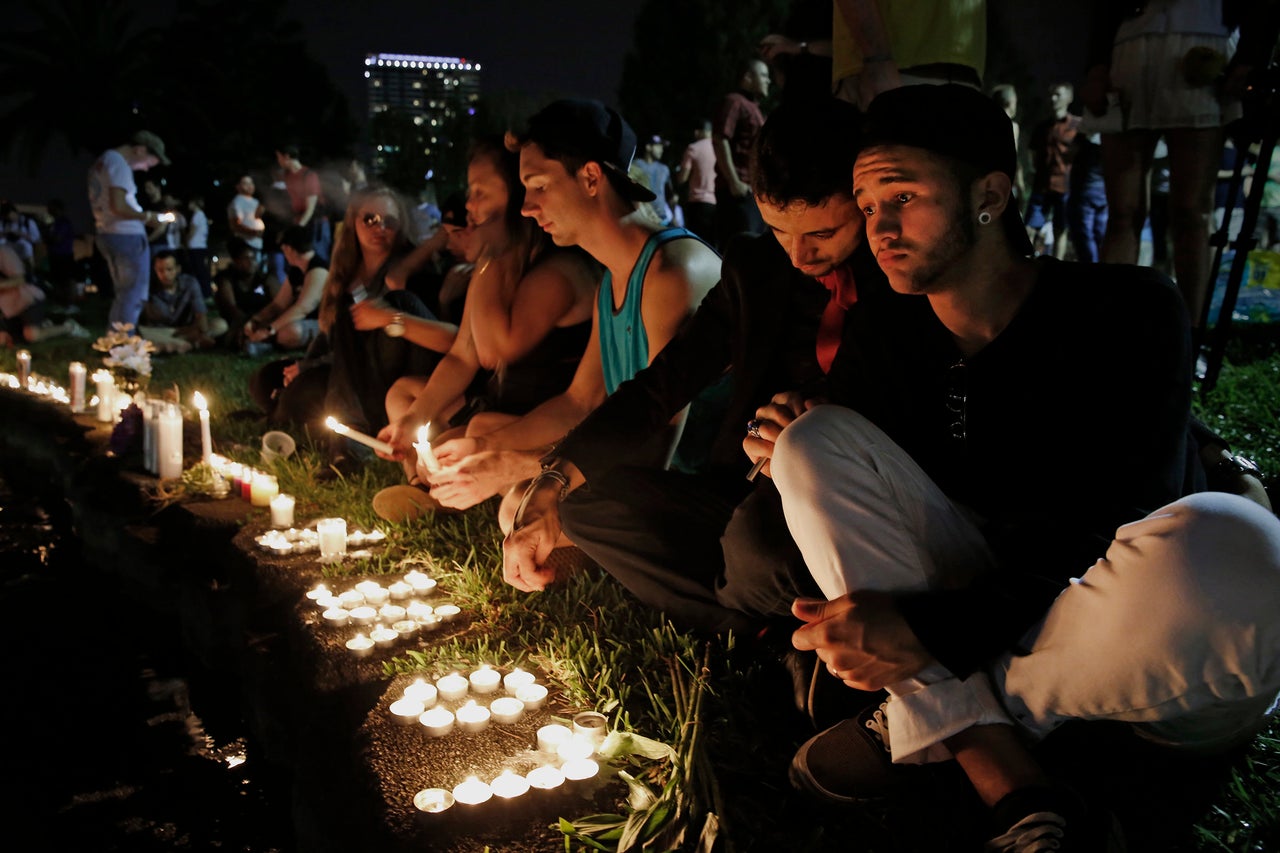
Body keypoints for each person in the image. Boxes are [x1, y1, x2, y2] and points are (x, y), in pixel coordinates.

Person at [752, 84, 1279, 849]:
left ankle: (940, 712)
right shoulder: (885, 334)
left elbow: (1106, 522)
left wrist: (928, 632)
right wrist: (784, 435)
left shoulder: (1126, 310)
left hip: (1120, 623)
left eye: (904, 195)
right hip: (986, 594)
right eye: (867, 205)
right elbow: (873, 498)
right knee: (812, 445)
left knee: (1245, 553)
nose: (881, 227)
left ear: (990, 196)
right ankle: (1012, 783)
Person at [502, 96, 875, 636]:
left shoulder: (893, 274)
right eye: (779, 231)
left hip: (835, 504)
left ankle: (755, 619)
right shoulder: (755, 269)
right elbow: (660, 386)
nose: (799, 256)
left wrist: (816, 424)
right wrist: (553, 478)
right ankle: (762, 629)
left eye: (822, 234)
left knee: (758, 552)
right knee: (585, 505)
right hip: (737, 488)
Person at [402, 100, 721, 533]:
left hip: (697, 487)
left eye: (538, 186)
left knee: (523, 505)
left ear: (591, 177)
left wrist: (517, 468)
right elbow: (579, 402)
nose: (526, 207)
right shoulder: (613, 281)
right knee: (497, 460)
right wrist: (479, 447)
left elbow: (653, 444)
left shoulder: (671, 272)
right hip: (645, 467)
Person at [370, 135, 597, 518]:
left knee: (475, 431)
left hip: (542, 418)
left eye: (479, 193)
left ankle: (451, 489)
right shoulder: (501, 262)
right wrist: (413, 421)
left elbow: (495, 350)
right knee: (414, 411)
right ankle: (424, 485)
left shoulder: (558, 270)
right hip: (504, 406)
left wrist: (492, 257)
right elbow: (463, 354)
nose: (470, 206)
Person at [1082, 0, 1270, 342]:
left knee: (1192, 212)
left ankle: (1191, 338)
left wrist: (1249, 57)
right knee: (1122, 212)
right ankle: (1110, 333)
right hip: (1130, 49)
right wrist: (1096, 64)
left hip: (1204, 43)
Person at [307, 184, 446, 476]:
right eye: (370, 219)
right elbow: (336, 345)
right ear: (354, 222)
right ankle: (340, 431)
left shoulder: (412, 271)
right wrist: (307, 364)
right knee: (282, 384)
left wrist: (388, 315)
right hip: (353, 373)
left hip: (399, 372)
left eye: (389, 221)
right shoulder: (345, 275)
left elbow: (439, 335)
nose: (379, 227)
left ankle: (349, 440)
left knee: (371, 310)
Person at [88, 130, 171, 328]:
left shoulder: (102, 161)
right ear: (140, 150)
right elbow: (119, 205)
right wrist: (148, 217)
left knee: (124, 293)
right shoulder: (118, 163)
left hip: (107, 231)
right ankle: (126, 348)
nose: (145, 169)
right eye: (148, 163)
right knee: (134, 293)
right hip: (126, 235)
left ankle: (117, 342)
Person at [713, 59, 770, 247]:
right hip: (738, 192)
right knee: (740, 249)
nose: (768, 80)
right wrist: (733, 181)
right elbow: (720, 139)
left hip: (753, 191)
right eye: (763, 75)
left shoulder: (756, 108)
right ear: (747, 78)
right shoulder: (735, 102)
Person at [242, 225, 327, 351]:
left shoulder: (318, 270)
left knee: (291, 331)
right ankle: (261, 342)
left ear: (289, 249)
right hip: (302, 320)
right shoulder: (296, 271)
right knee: (280, 327)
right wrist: (256, 320)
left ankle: (266, 345)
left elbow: (303, 308)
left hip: (324, 323)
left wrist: (269, 330)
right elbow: (279, 304)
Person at [1024, 82, 1080, 259]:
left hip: (1065, 187)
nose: (1053, 99)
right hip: (1041, 185)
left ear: (1069, 98)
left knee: (1060, 229)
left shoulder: (1077, 127)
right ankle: (1027, 266)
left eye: (1058, 95)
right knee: (1029, 228)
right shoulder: (1042, 127)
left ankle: (1056, 269)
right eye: (1052, 95)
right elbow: (1032, 155)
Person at [0, 241, 89, 347]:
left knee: (32, 335)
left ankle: (69, 327)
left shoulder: (4, 253)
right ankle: (42, 323)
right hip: (7, 308)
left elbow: (22, 279)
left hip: (27, 299)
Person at [138, 250, 227, 353]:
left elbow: (200, 313)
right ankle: (190, 344)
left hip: (188, 329)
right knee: (143, 333)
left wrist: (200, 331)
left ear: (178, 269)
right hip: (162, 330)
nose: (165, 274)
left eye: (169, 269)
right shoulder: (149, 289)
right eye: (160, 270)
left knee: (221, 324)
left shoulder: (189, 283)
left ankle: (179, 343)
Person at [214, 238, 276, 349]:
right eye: (246, 258)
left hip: (263, 320)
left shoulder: (265, 278)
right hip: (236, 322)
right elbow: (230, 306)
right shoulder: (227, 279)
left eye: (253, 258)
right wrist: (248, 322)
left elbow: (278, 302)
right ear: (236, 261)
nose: (251, 262)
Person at [276, 145, 331, 262]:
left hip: (315, 225)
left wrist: (297, 231)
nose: (278, 161)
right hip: (300, 223)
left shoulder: (309, 175)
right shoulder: (287, 176)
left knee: (317, 260)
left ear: (286, 157)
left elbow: (310, 209)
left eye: (279, 157)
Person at [676, 121, 717, 243]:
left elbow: (682, 178)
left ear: (698, 132)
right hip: (717, 204)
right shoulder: (719, 148)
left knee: (696, 242)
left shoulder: (693, 148)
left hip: (697, 203)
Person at [635, 135, 675, 226]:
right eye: (658, 146)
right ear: (648, 147)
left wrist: (674, 217)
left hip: (661, 218)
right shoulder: (636, 166)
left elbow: (670, 196)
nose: (661, 149)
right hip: (642, 217)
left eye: (662, 147)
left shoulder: (664, 169)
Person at [227, 174, 266, 260]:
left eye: (251, 183)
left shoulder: (256, 202)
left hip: (259, 243)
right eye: (246, 183)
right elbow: (235, 225)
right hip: (245, 245)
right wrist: (253, 232)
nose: (250, 186)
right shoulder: (237, 202)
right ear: (238, 187)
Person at [183, 194, 210, 298]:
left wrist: (185, 241)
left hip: (195, 246)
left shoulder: (197, 215)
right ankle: (205, 292)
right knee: (201, 270)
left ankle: (203, 293)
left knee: (198, 271)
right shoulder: (202, 215)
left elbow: (192, 232)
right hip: (201, 246)